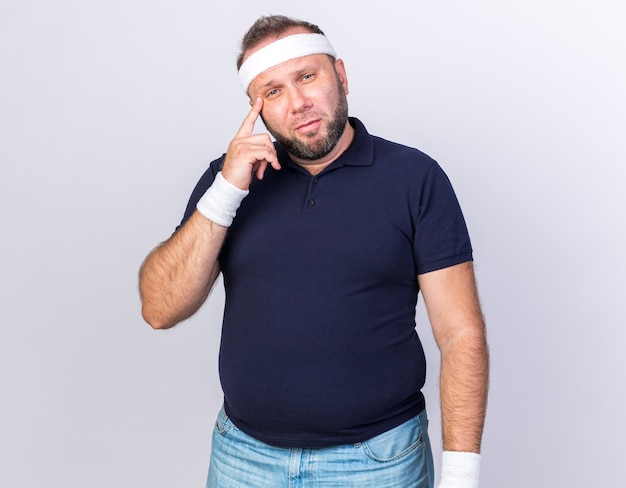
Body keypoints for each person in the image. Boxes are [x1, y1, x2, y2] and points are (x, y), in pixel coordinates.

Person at [139, 14, 489, 488]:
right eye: (274, 91)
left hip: (378, 460)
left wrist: (462, 476)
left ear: (340, 76)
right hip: (243, 457)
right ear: (256, 108)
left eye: (307, 76)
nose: (298, 103)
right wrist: (226, 190)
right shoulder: (228, 182)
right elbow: (160, 309)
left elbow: (460, 333)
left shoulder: (414, 178)